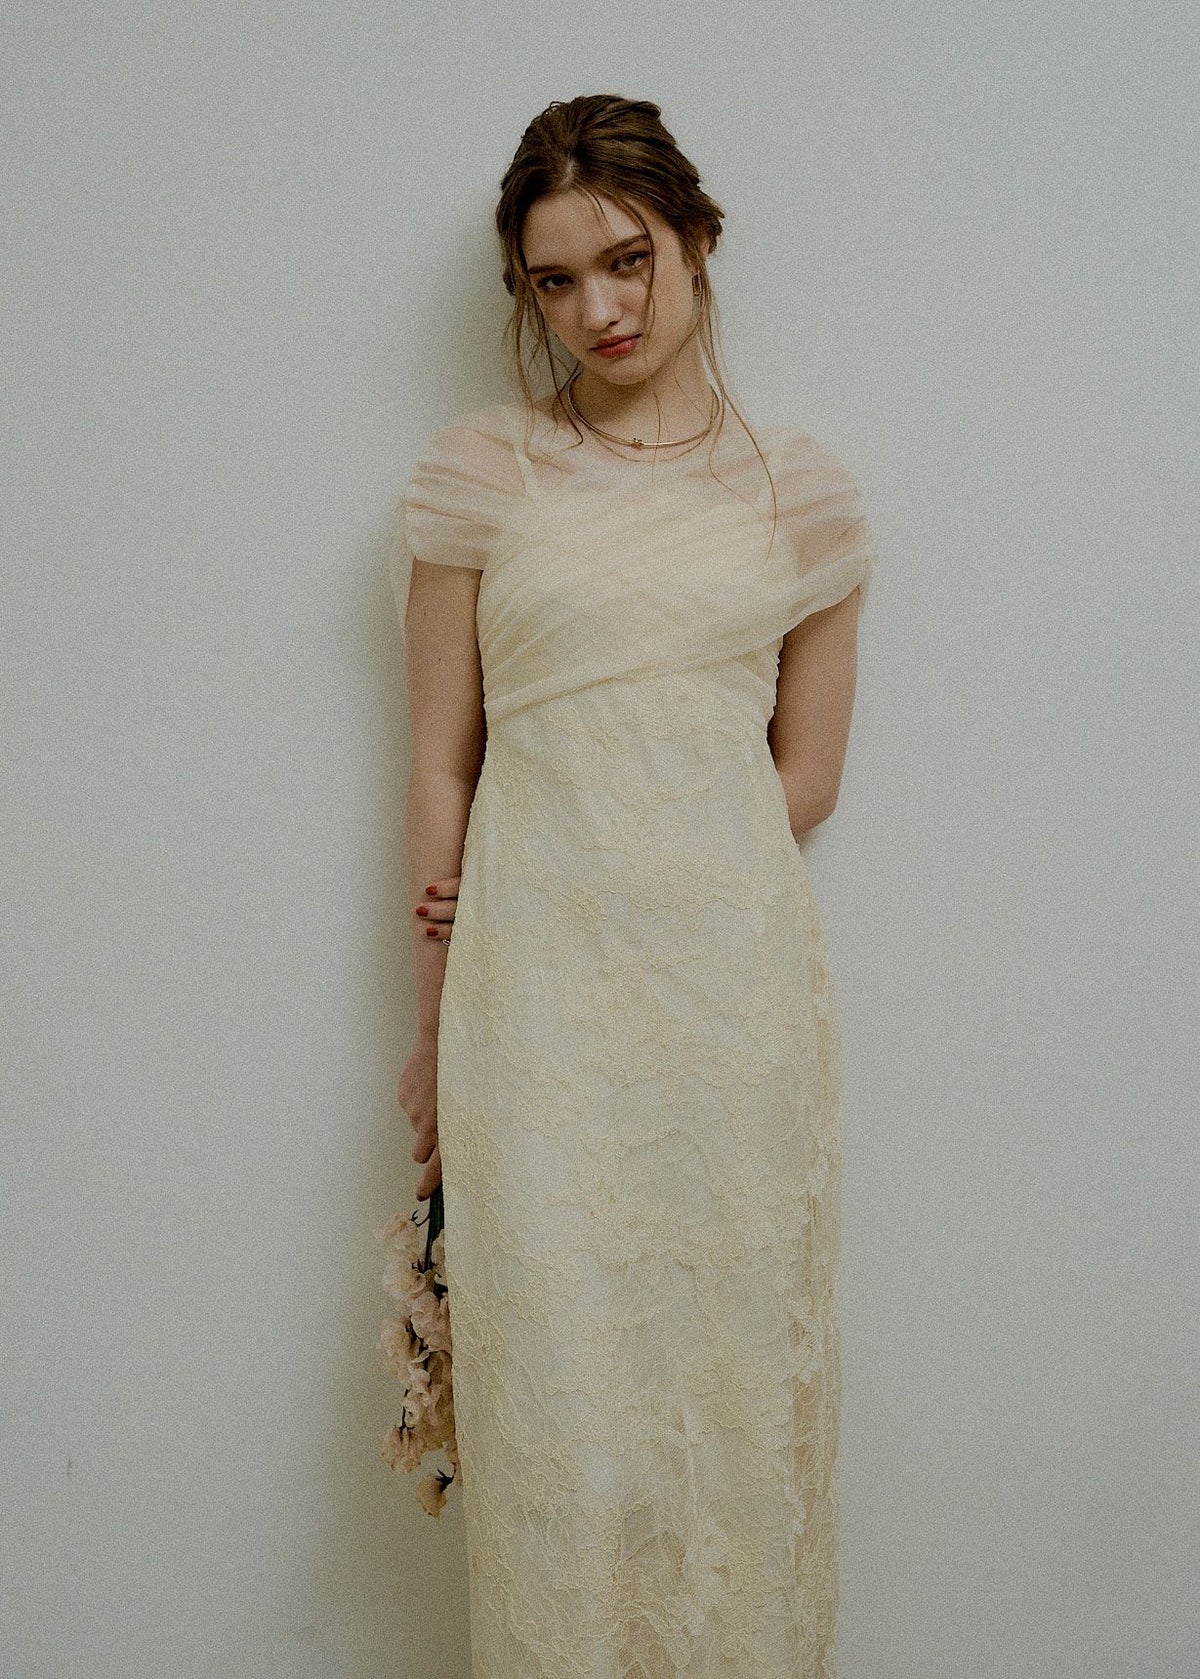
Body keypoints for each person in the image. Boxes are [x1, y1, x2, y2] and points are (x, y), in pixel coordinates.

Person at [391, 92, 875, 1679]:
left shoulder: (803, 495)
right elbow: (441, 767)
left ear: (696, 242)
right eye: (555, 280)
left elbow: (805, 777)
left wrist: (660, 874)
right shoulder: (482, 478)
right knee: (559, 1418)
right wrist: (439, 1022)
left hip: (730, 1010)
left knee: (730, 1406)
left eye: (628, 260)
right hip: (533, 1009)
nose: (599, 308)